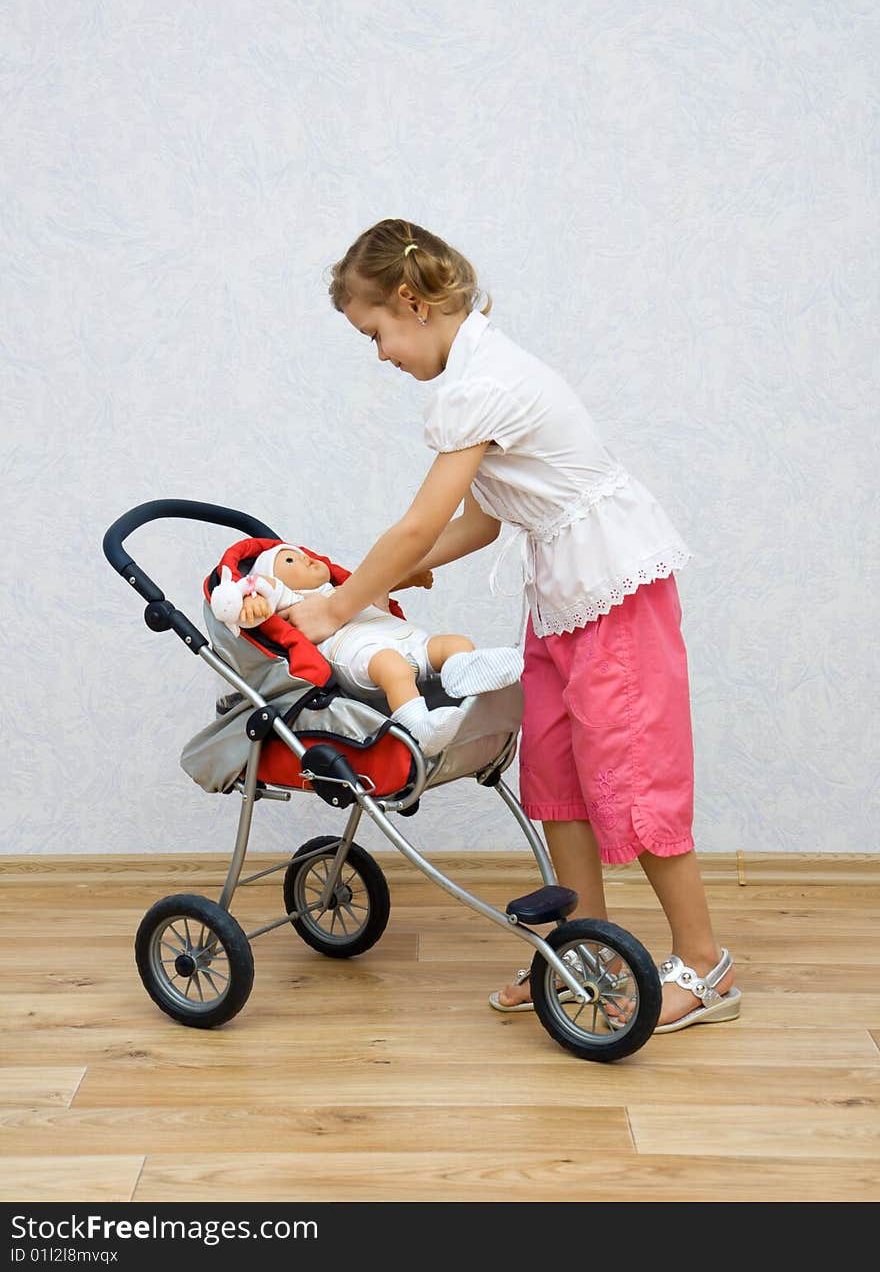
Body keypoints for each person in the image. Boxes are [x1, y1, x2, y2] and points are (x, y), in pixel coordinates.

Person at [250, 218, 740, 1033]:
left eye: (375, 333)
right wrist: (394, 576)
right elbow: (478, 522)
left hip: (612, 593)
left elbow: (420, 522)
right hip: (563, 597)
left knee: (632, 772)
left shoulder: (484, 382)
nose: (379, 355)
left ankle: (707, 965)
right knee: (559, 778)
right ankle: (583, 953)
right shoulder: (478, 376)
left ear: (410, 302)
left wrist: (339, 606)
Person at [234, 540, 523, 757]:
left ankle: (462, 674)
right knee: (394, 667)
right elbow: (254, 604)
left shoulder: (347, 589)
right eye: (289, 560)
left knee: (455, 643)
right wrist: (252, 601)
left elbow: (380, 583)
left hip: (406, 642)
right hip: (363, 659)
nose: (306, 558)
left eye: (304, 554)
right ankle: (419, 727)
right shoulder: (292, 604)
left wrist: (410, 578)